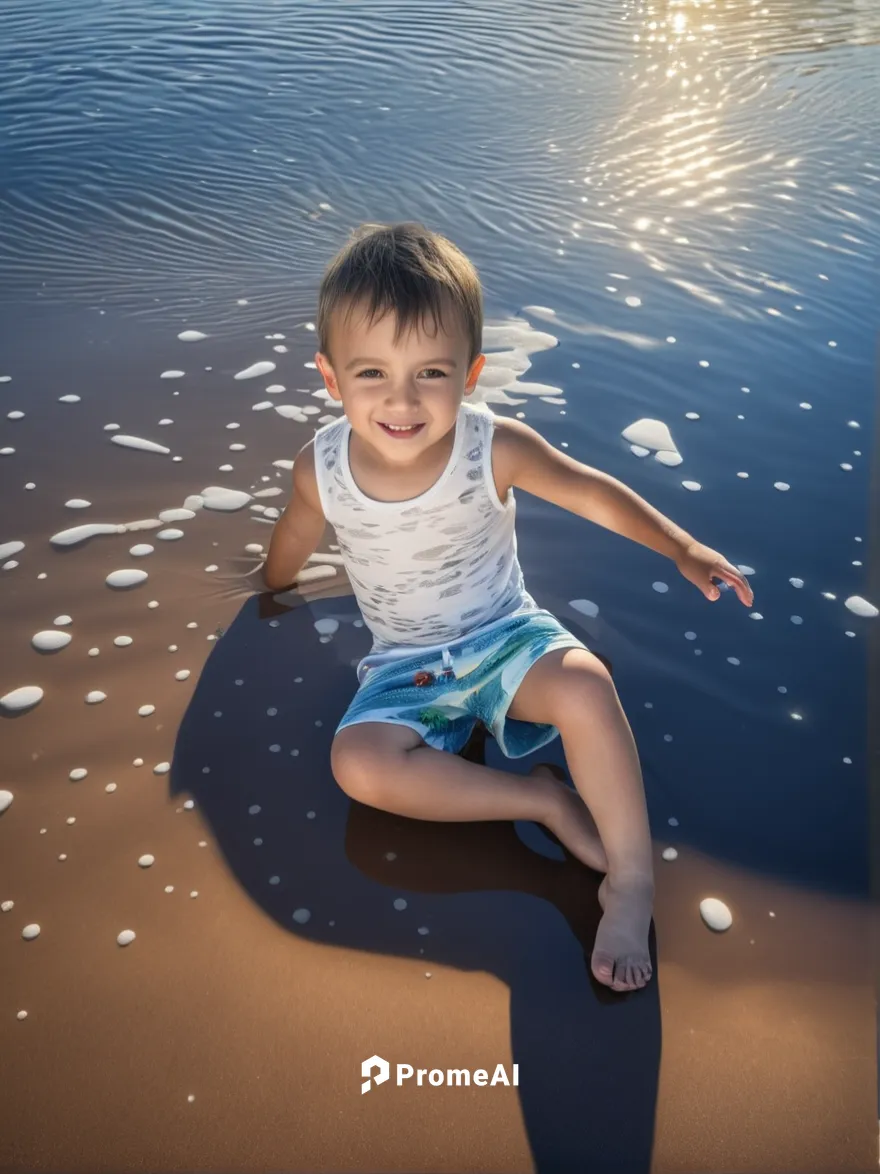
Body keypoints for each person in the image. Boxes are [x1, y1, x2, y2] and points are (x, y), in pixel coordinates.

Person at [262, 221, 754, 993]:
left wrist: (681, 548)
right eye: (371, 374)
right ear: (330, 378)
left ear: (471, 373)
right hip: (404, 665)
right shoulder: (319, 468)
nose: (401, 399)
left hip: (505, 636)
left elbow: (593, 492)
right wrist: (270, 588)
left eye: (430, 372)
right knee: (357, 764)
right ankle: (539, 800)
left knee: (587, 687)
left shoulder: (493, 447)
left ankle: (629, 879)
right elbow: (295, 532)